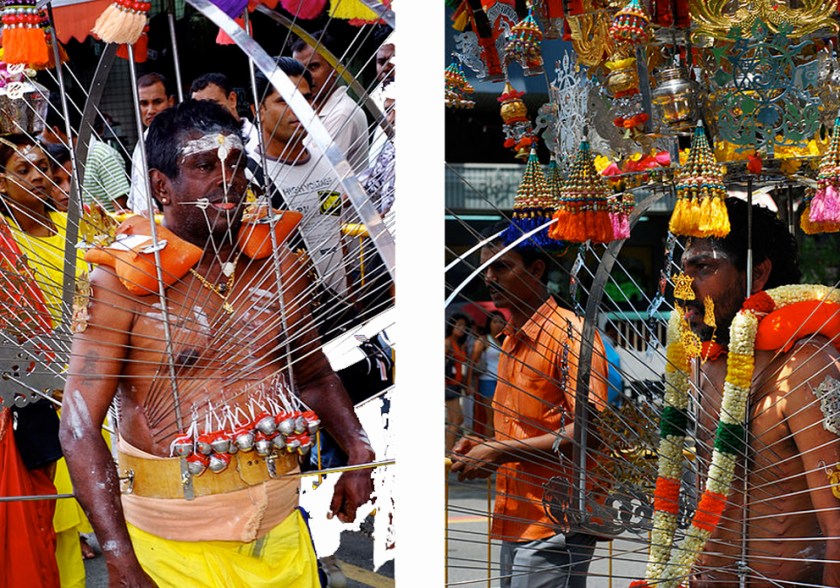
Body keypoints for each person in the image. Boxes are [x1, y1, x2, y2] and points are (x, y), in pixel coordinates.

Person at [58, 100, 375, 587]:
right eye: (204, 166)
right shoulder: (119, 283)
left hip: (281, 536)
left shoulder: (280, 268)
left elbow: (312, 377)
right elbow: (79, 429)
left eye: (237, 164)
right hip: (172, 550)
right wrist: (120, 559)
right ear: (161, 186)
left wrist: (357, 448)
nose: (227, 180)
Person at [678, 198, 840, 587]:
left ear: (758, 273)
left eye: (703, 268)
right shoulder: (706, 362)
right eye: (682, 271)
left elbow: (838, 527)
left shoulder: (805, 367)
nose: (683, 288)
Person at [451, 225, 609, 588]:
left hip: (556, 520)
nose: (489, 278)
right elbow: (530, 426)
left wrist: (500, 451)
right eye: (485, 268)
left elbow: (590, 432)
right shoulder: (510, 338)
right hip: (517, 516)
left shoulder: (571, 335)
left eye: (501, 267)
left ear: (536, 269)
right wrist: (486, 445)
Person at [0, 133, 90, 587]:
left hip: (88, 383)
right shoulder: (6, 243)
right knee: (44, 519)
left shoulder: (82, 228)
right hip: (32, 392)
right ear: (1, 182)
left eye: (42, 168)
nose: (38, 178)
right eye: (23, 170)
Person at [253, 57, 355, 334]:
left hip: (339, 312)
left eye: (305, 98)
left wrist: (352, 297)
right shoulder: (249, 176)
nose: (299, 109)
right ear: (258, 109)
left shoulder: (328, 161)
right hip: (287, 325)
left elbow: (335, 229)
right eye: (284, 100)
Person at [291, 31, 370, 174]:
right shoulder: (310, 111)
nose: (305, 76)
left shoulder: (342, 113)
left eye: (313, 67)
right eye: (299, 70)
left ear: (335, 68)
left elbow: (316, 174)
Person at [38, 99, 130, 213]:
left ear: (55, 131)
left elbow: (121, 211)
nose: (40, 135)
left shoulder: (102, 155)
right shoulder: (69, 158)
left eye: (42, 130)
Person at [126, 72, 175, 214]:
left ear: (171, 102)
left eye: (157, 102)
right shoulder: (142, 142)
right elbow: (137, 194)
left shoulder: (182, 139)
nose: (150, 110)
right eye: (144, 103)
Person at [190, 72, 259, 157]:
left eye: (212, 104)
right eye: (199, 108)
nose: (207, 112)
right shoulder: (194, 147)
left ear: (232, 99)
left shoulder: (260, 141)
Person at [467, 310, 506, 438]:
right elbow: (471, 363)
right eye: (495, 322)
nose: (498, 325)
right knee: (491, 416)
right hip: (487, 380)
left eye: (501, 322)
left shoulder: (504, 341)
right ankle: (488, 445)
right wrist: (468, 384)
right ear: (489, 323)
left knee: (501, 416)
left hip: (502, 382)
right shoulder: (483, 340)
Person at [445, 313, 471, 453]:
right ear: (452, 326)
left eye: (464, 326)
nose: (462, 329)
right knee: (456, 420)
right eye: (459, 325)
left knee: (453, 420)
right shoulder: (447, 343)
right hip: (448, 385)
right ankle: (448, 453)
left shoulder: (460, 344)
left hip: (456, 384)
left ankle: (448, 451)